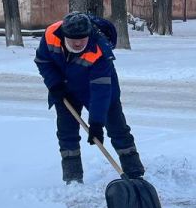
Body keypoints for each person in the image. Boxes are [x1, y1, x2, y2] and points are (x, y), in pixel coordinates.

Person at [34, 12, 145, 184]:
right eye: (73, 39)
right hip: (64, 89)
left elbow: (100, 90)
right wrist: (55, 84)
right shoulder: (50, 35)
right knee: (66, 132)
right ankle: (72, 179)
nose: (78, 43)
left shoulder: (100, 50)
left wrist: (96, 123)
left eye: (82, 39)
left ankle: (134, 173)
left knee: (117, 129)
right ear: (64, 35)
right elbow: (43, 61)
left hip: (102, 89)